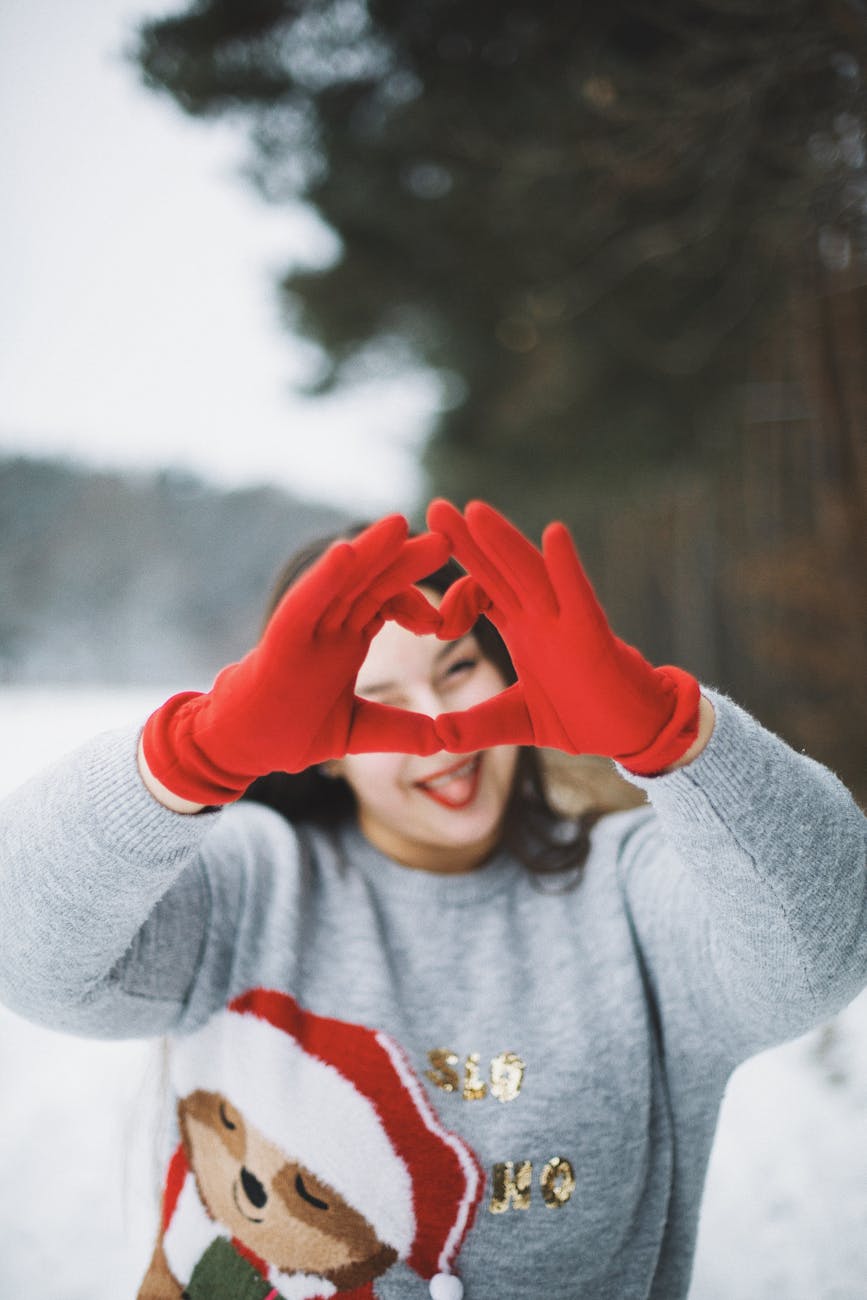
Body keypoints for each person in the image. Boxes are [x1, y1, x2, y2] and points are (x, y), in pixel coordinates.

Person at [0, 499, 865, 1300]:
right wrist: (191, 757)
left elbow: (822, 949)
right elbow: (28, 954)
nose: (435, 728)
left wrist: (673, 736)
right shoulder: (247, 881)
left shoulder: (631, 884)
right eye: (375, 699)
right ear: (319, 744)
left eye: (459, 669)